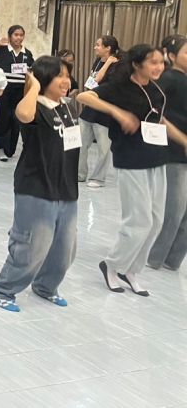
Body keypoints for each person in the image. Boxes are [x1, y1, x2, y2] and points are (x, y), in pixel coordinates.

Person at [78, 44, 187, 296]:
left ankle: (131, 270)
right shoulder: (120, 87)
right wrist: (117, 112)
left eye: (160, 62)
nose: (159, 67)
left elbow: (159, 119)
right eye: (153, 62)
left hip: (156, 156)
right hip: (131, 158)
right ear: (137, 64)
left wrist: (182, 139)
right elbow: (85, 96)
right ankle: (112, 265)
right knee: (139, 220)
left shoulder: (156, 89)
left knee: (156, 221)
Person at [0, 57, 80, 312]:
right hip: (36, 186)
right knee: (31, 246)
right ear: (44, 78)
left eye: (67, 76)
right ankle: (3, 289)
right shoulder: (35, 106)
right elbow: (23, 114)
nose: (66, 81)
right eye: (60, 76)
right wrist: (34, 87)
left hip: (66, 188)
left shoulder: (67, 107)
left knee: (65, 248)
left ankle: (46, 286)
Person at [149, 34, 187, 271]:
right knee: (174, 209)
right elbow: (156, 113)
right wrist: (182, 139)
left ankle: (172, 260)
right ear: (172, 56)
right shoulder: (169, 78)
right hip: (173, 153)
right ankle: (154, 257)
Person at [78, 35, 120, 187]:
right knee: (80, 143)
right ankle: (79, 174)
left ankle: (98, 178)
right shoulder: (97, 61)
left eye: (98, 45)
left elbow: (98, 80)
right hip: (90, 108)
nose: (95, 47)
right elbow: (92, 81)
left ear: (108, 48)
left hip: (105, 111)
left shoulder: (117, 64)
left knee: (103, 148)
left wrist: (108, 62)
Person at [0, 25, 34, 161]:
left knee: (16, 119)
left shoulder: (27, 53)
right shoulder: (1, 50)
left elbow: (32, 69)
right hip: (4, 89)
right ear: (10, 36)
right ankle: (1, 148)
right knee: (3, 118)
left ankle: (10, 149)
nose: (19, 38)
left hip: (20, 90)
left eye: (21, 35)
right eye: (16, 35)